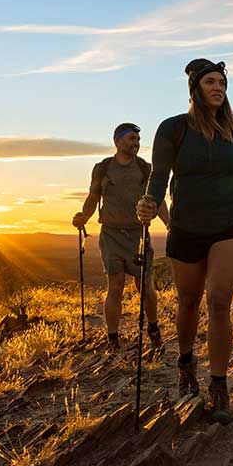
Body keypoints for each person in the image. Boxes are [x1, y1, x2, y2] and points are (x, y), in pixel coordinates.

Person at [137, 58, 233, 422]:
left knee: (219, 301)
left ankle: (219, 386)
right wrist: (148, 202)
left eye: (222, 83)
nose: (218, 88)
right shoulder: (173, 129)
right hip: (187, 225)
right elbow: (159, 176)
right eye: (210, 82)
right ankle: (186, 363)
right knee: (188, 301)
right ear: (195, 88)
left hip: (231, 221)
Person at [73, 122, 170, 352]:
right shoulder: (103, 168)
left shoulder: (145, 168)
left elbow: (157, 199)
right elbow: (93, 197)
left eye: (137, 139)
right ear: (117, 141)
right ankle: (113, 338)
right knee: (115, 286)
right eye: (131, 139)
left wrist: (169, 224)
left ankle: (153, 327)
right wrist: (83, 216)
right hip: (110, 234)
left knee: (144, 285)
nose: (136, 143)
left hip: (139, 233)